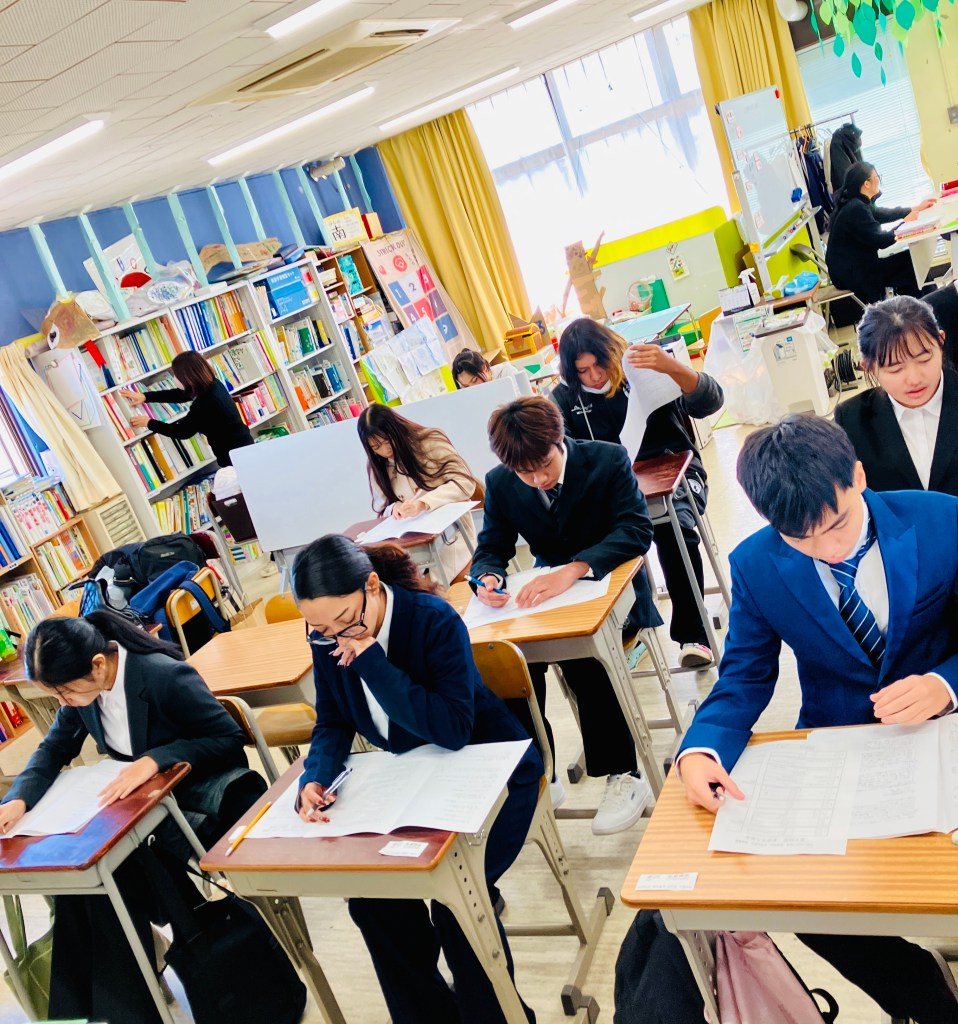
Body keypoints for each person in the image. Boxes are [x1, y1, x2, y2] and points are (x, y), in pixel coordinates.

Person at [677, 414, 958, 1023]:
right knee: (804, 904)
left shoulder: (942, 520)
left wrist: (945, 683)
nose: (829, 550)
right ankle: (926, 996)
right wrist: (701, 749)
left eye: (838, 525)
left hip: (945, 734)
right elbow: (745, 674)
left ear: (858, 477)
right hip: (841, 749)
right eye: (802, 539)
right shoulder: (756, 564)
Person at [292, 534, 541, 1024]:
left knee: (457, 909)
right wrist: (315, 776)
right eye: (319, 629)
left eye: (345, 621)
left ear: (371, 585)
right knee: (374, 905)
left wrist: (372, 661)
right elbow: (333, 720)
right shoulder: (329, 636)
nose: (336, 637)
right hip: (412, 784)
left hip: (492, 773)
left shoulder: (432, 620)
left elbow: (451, 730)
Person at [0, 609, 266, 1023]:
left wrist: (157, 759)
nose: (63, 703)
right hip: (139, 811)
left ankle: (119, 1012)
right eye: (56, 696)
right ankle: (111, 1010)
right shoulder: (83, 692)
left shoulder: (162, 676)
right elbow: (53, 749)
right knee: (80, 884)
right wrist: (17, 800)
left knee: (106, 883)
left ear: (98, 664)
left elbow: (227, 739)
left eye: (65, 692)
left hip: (195, 803)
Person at [470, 395, 659, 835]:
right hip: (550, 594)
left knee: (581, 659)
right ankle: (539, 771)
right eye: (526, 473)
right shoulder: (501, 481)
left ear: (559, 441)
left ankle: (624, 774)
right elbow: (492, 546)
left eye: (545, 466)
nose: (538, 479)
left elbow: (636, 530)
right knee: (505, 659)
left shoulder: (607, 459)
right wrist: (488, 577)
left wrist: (575, 569)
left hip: (614, 586)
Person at [551, 318, 723, 666]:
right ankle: (632, 626)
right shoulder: (564, 398)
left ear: (612, 353)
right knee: (594, 542)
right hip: (614, 490)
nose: (594, 376)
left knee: (673, 530)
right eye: (583, 371)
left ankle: (694, 635)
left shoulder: (644, 367)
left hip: (676, 475)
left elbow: (711, 401)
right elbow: (562, 453)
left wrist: (673, 367)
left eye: (599, 365)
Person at [835, 296, 958, 496]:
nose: (914, 379)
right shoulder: (851, 420)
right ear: (868, 367)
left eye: (924, 359)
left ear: (940, 341)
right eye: (895, 369)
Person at [357, 403, 480, 581]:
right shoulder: (377, 465)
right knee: (396, 581)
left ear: (396, 429)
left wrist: (424, 503)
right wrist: (394, 508)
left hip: (452, 533)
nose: (384, 451)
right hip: (410, 542)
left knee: (431, 582)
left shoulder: (430, 442)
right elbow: (382, 509)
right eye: (376, 447)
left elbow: (465, 483)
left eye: (387, 441)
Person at [825, 162, 937, 306]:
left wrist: (914, 209)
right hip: (853, 273)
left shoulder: (857, 203)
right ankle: (926, 308)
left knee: (911, 262)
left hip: (851, 269)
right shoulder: (856, 208)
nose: (879, 180)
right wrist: (904, 223)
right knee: (912, 264)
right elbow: (882, 241)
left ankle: (919, 308)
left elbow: (882, 213)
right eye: (877, 176)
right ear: (866, 184)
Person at [121, 350, 254, 468]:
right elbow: (180, 395)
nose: (174, 379)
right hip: (244, 447)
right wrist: (145, 396)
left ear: (188, 377)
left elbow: (182, 431)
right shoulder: (213, 384)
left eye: (176, 375)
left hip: (234, 457)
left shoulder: (204, 403)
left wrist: (149, 423)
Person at [452, 348, 528, 389]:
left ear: (484, 367)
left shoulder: (506, 372)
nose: (472, 388)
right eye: (466, 386)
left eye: (474, 380)